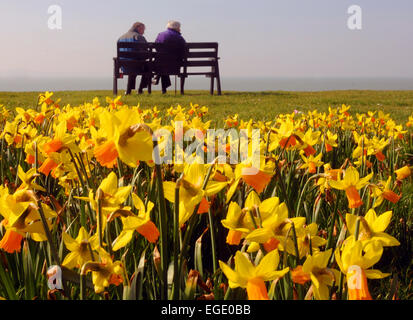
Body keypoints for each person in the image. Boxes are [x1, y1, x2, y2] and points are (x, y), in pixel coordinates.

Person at [154, 21, 186, 94]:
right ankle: (164, 88)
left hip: (160, 64)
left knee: (163, 65)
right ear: (177, 28)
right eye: (179, 28)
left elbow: (156, 47)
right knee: (165, 64)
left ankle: (163, 89)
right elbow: (185, 50)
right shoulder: (179, 37)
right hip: (175, 65)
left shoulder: (160, 35)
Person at [118, 22, 150, 95]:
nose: (144, 32)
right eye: (143, 30)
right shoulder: (138, 37)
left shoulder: (120, 38)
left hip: (124, 65)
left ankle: (128, 91)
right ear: (138, 28)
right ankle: (140, 89)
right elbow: (146, 52)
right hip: (137, 65)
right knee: (148, 67)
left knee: (133, 65)